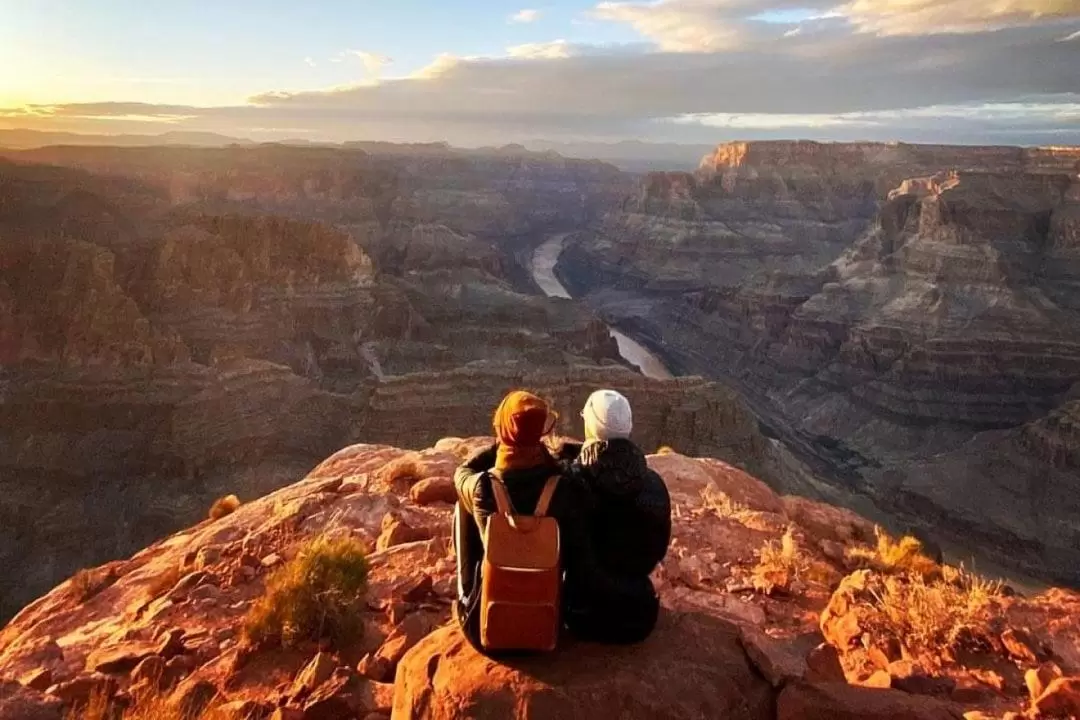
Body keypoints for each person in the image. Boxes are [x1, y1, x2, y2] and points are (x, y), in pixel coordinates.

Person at [452, 389, 604, 650]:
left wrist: (501, 445)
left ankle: (469, 598)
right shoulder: (563, 486)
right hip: (547, 625)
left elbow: (461, 473)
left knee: (462, 505)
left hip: (486, 630)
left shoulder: (484, 487)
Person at [561, 389, 671, 644]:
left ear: (588, 425)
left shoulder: (571, 483)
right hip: (638, 618)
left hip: (580, 615)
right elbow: (659, 550)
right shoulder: (654, 484)